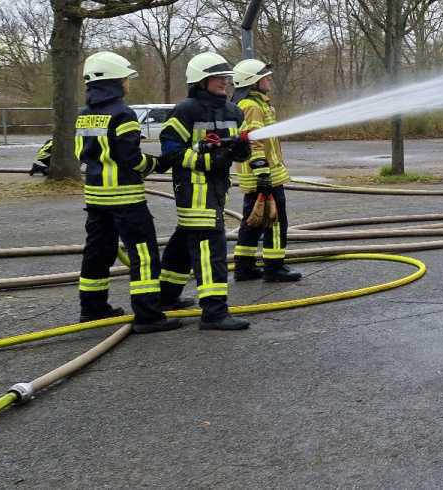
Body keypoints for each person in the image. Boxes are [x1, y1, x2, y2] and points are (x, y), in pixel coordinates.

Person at [73, 51, 181, 333]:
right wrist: (157, 164)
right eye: (125, 79)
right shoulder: (123, 114)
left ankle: (92, 308)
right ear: (114, 81)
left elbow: (80, 153)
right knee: (143, 255)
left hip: (95, 196)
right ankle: (148, 315)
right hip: (126, 198)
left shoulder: (84, 115)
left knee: (97, 253)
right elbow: (131, 159)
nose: (128, 83)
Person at [158, 52, 252, 331]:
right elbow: (171, 150)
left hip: (217, 190)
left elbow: (242, 152)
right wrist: (206, 160)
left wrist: (241, 150)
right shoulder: (185, 111)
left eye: (225, 77)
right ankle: (214, 312)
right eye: (217, 77)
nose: (224, 81)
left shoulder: (234, 112)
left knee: (183, 243)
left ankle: (166, 297)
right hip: (192, 190)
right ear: (200, 81)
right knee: (211, 248)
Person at [231, 59, 301, 283]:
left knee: (253, 222)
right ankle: (274, 268)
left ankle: (244, 267)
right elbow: (254, 141)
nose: (269, 79)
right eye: (264, 77)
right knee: (276, 221)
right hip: (264, 175)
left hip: (256, 175)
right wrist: (262, 173)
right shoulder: (252, 106)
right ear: (252, 82)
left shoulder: (252, 104)